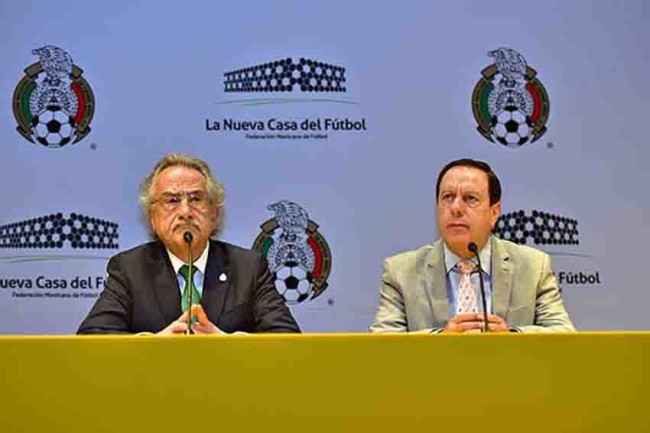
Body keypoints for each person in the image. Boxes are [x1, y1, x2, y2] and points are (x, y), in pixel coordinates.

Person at [78, 153, 300, 335]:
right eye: (172, 201)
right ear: (152, 218)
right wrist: (154, 344)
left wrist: (226, 342)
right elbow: (92, 337)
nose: (185, 212)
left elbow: (287, 338)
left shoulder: (248, 267)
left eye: (195, 199)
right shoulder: (129, 268)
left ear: (214, 214)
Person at [370, 158, 574, 333]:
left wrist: (511, 338)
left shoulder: (533, 266)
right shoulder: (401, 272)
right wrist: (440, 339)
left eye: (470, 198)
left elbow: (563, 333)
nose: (456, 208)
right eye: (448, 197)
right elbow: (381, 343)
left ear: (494, 213)